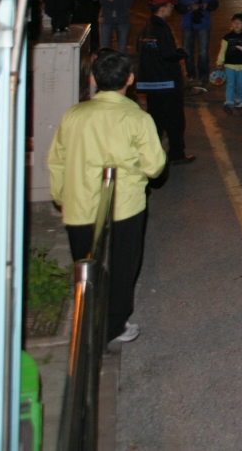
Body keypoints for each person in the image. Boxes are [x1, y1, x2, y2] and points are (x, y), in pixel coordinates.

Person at [47, 50, 167, 346]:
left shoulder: (73, 115)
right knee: (122, 267)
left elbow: (57, 160)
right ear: (130, 79)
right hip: (124, 206)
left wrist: (61, 195)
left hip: (80, 205)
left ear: (92, 79)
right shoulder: (137, 118)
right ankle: (114, 325)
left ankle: (87, 318)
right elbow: (154, 166)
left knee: (86, 265)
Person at [136, 0, 194, 164]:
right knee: (175, 119)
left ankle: (152, 154)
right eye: (170, 5)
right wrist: (181, 53)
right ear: (162, 8)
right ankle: (176, 153)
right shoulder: (161, 27)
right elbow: (168, 54)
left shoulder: (146, 27)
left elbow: (142, 52)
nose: (172, 8)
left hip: (150, 83)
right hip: (167, 83)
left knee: (156, 119)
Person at [176, 0, 219, 91]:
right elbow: (177, 7)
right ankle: (191, 75)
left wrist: (207, 6)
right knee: (188, 52)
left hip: (203, 24)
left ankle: (203, 76)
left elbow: (215, 4)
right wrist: (189, 7)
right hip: (187, 24)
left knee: (203, 52)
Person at [216, 13, 242, 112]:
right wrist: (220, 62)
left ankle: (239, 99)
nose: (237, 24)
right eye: (235, 22)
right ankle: (229, 102)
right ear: (231, 24)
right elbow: (222, 50)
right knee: (230, 84)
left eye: (240, 23)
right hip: (229, 65)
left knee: (241, 84)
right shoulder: (227, 37)